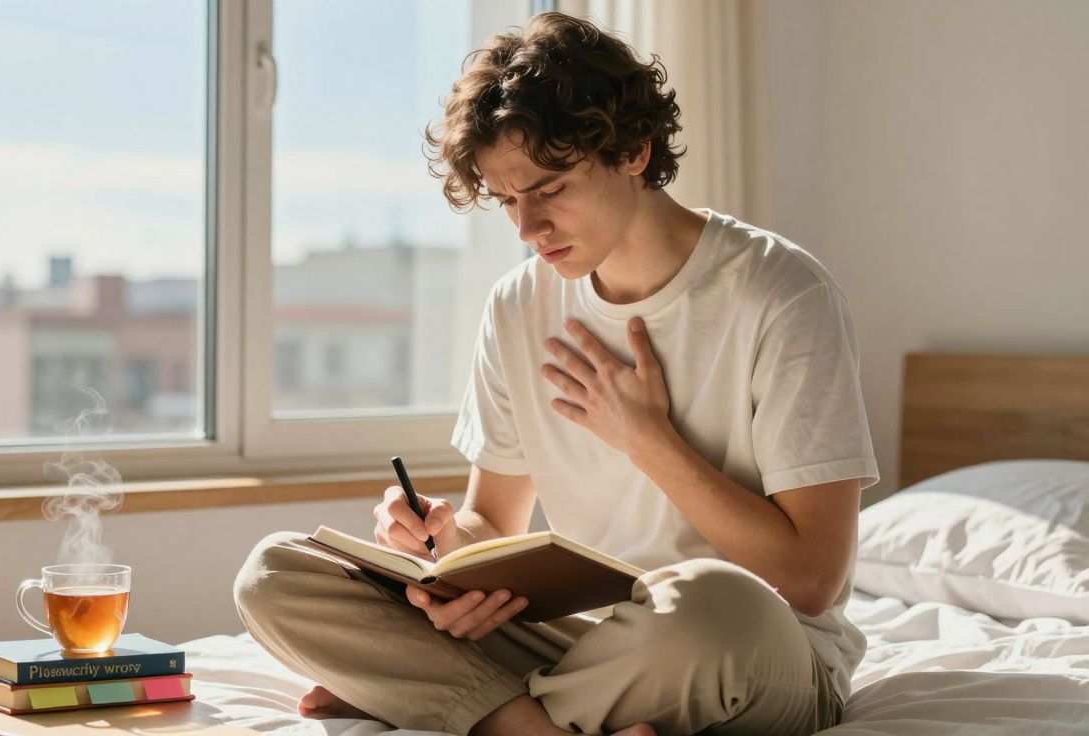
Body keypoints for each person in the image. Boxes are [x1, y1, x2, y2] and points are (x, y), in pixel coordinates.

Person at [234, 11, 877, 736]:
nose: (527, 228)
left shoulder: (781, 293)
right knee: (275, 573)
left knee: (712, 603)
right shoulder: (518, 305)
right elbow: (491, 522)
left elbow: (810, 580)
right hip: (587, 638)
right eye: (508, 200)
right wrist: (442, 547)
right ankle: (530, 721)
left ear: (633, 151)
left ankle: (462, 704)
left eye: (548, 188)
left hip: (754, 648)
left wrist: (648, 440)